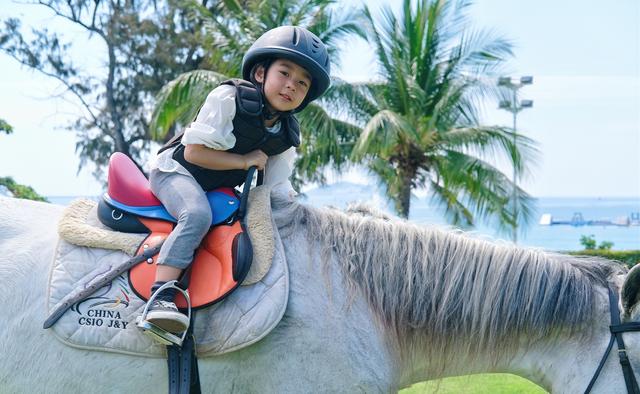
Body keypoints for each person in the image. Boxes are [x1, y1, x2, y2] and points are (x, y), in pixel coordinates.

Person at [142, 26, 331, 334]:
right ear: (260, 73)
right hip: (176, 172)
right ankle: (161, 294)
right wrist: (244, 161)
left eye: (302, 83)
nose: (291, 86)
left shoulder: (285, 136)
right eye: (284, 73)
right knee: (197, 215)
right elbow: (193, 153)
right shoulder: (228, 97)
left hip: (216, 188)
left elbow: (278, 189)